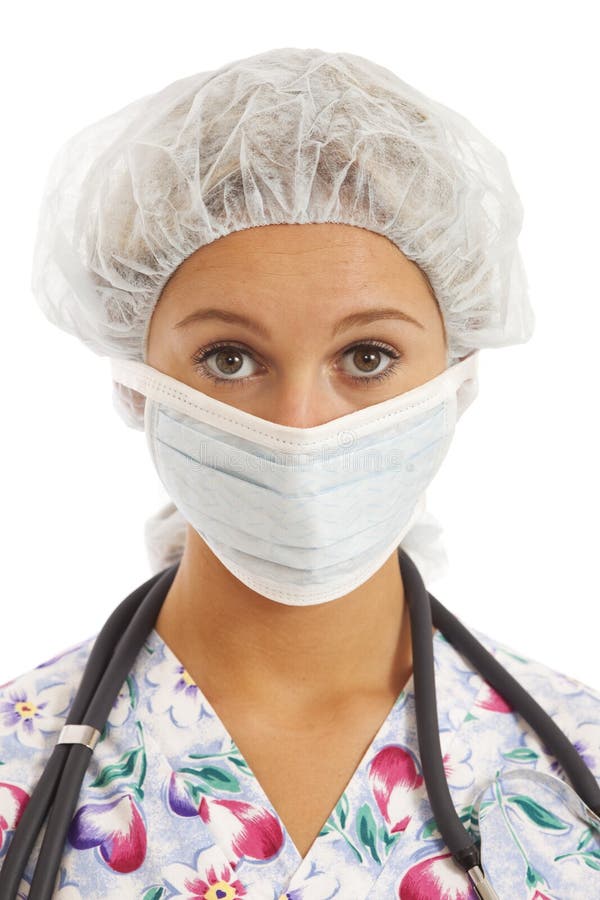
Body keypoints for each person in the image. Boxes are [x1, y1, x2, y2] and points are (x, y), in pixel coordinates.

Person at [1, 47, 599, 899]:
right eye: (229, 357)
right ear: (137, 381)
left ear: (457, 374)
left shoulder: (575, 770)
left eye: (367, 354)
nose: (298, 428)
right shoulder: (15, 768)